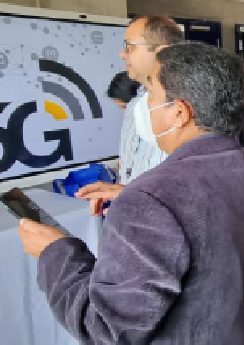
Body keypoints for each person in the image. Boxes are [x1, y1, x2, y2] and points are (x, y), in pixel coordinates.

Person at [17, 42, 244, 345]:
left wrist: (56, 252)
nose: (143, 105)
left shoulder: (154, 197)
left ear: (180, 112)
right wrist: (134, 196)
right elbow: (204, 218)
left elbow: (108, 331)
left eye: (150, 92)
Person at [77, 15, 183, 213]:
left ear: (161, 51)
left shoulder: (187, 108)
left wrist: (134, 197)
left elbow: (186, 190)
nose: (122, 54)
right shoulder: (135, 105)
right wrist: (121, 195)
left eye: (130, 47)